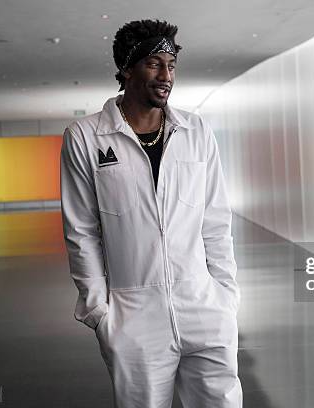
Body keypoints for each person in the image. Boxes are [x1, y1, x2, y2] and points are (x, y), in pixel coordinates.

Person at [59, 19, 242, 408]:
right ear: (127, 69)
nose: (166, 75)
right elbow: (81, 230)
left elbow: (216, 220)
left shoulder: (196, 131)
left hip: (204, 306)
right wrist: (99, 311)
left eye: (171, 65)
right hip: (133, 316)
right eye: (154, 64)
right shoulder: (86, 137)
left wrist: (225, 297)